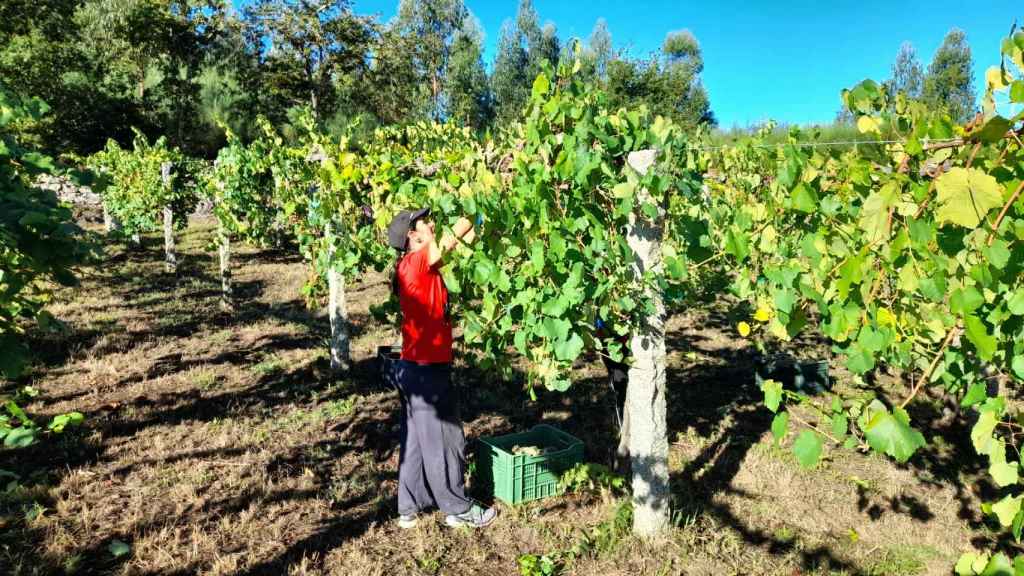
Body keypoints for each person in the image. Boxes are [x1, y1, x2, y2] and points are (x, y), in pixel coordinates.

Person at [386, 207, 496, 529]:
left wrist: (480, 225)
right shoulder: (417, 261)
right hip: (428, 370)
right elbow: (452, 236)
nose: (431, 223)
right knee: (446, 440)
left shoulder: (413, 265)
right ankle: (458, 508)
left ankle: (409, 507)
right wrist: (477, 204)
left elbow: (457, 242)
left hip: (413, 368)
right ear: (412, 235)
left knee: (417, 442)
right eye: (424, 222)